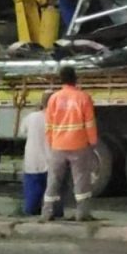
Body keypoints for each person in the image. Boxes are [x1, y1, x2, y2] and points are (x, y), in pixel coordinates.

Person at [41, 66, 98, 222]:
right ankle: (82, 213)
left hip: (58, 145)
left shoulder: (53, 98)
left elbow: (49, 125)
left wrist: (52, 142)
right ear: (75, 79)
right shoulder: (83, 98)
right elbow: (90, 123)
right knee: (80, 179)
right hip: (78, 144)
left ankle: (47, 212)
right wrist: (92, 142)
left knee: (53, 179)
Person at [20, 91, 64, 218]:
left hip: (32, 162)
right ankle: (54, 213)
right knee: (54, 193)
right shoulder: (57, 119)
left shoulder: (31, 117)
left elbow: (22, 131)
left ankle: (31, 212)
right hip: (51, 161)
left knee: (32, 194)